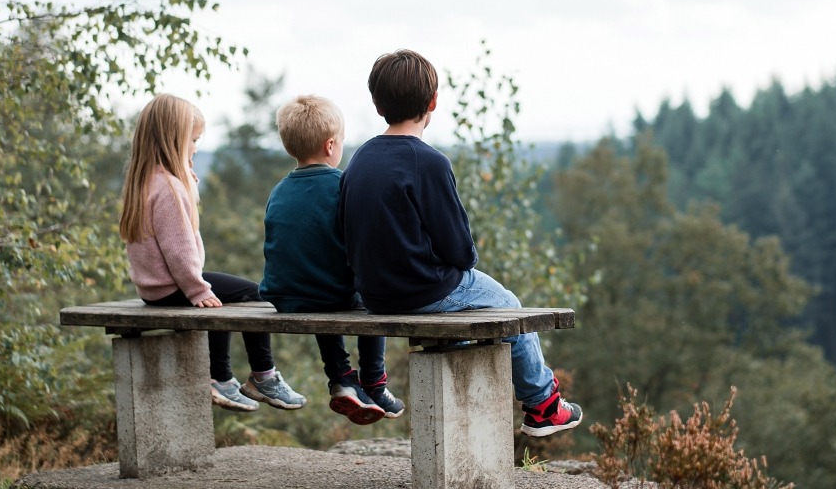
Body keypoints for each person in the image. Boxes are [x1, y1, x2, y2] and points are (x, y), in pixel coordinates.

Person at [338, 50, 582, 437]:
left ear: (376, 102)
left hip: (374, 294)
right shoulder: (430, 163)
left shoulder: (358, 159)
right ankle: (543, 405)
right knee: (508, 305)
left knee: (482, 313)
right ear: (433, 102)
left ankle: (534, 400)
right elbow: (461, 251)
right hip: (424, 290)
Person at [118, 94, 305, 413]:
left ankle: (224, 377)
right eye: (192, 141)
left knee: (223, 295)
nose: (195, 148)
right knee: (256, 294)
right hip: (175, 285)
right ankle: (260, 375)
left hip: (155, 290)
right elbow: (178, 249)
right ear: (173, 140)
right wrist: (196, 288)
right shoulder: (169, 189)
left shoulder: (147, 181)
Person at [260, 95, 403, 425]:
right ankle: (374, 383)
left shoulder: (278, 190)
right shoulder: (344, 185)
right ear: (330, 145)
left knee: (316, 286)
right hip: (329, 294)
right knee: (372, 293)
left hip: (285, 295)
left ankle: (341, 377)